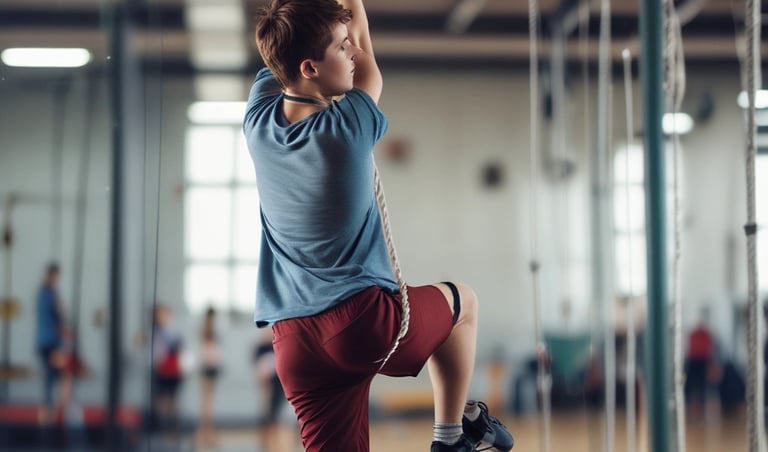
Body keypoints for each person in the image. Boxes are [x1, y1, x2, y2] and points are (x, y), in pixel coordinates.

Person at [243, 1, 514, 450]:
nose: (353, 51)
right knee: (463, 303)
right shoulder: (346, 127)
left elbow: (284, 48)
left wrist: (323, 20)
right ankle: (450, 437)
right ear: (309, 67)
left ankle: (462, 424)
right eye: (340, 46)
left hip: (294, 347)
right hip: (361, 325)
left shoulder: (257, 123)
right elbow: (363, 45)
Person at [36, 262, 71, 426]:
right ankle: (55, 416)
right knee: (64, 376)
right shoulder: (51, 293)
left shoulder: (42, 293)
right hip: (51, 343)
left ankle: (47, 418)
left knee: (51, 381)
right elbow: (59, 315)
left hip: (44, 343)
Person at [151, 304, 184, 443]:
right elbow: (157, 354)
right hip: (162, 372)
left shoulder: (173, 332)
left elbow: (179, 350)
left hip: (173, 372)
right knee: (161, 402)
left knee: (172, 403)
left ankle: (171, 432)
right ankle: (161, 432)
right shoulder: (156, 333)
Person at [197, 306, 221, 446]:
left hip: (210, 367)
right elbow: (207, 350)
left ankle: (207, 434)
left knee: (208, 403)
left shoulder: (209, 329)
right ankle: (205, 434)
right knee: (207, 404)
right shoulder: (206, 329)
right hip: (208, 367)